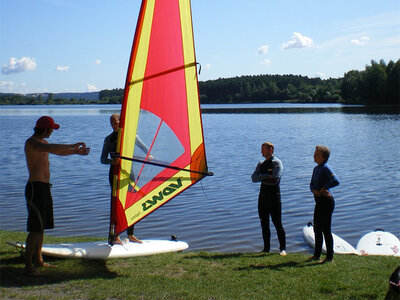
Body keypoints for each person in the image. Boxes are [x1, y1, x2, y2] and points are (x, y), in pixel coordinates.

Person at [24, 116, 90, 275]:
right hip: (35, 189)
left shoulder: (44, 143)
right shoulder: (32, 143)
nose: (52, 131)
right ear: (44, 129)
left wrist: (75, 152)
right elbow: (52, 148)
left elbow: (57, 151)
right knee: (35, 228)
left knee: (41, 227)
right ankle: (28, 266)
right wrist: (72, 145)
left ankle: (39, 260)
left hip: (45, 188)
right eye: (51, 128)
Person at [101, 113, 151, 244]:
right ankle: (115, 235)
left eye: (116, 122)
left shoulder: (130, 136)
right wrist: (113, 162)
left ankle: (131, 234)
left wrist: (148, 155)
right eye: (111, 122)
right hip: (115, 173)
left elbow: (145, 148)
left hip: (129, 173)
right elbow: (103, 159)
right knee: (116, 203)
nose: (113, 124)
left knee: (131, 201)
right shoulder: (109, 139)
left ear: (121, 122)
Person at [251, 142, 287, 256]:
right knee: (264, 223)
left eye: (263, 149)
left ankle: (283, 249)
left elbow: (275, 179)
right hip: (262, 197)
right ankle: (266, 248)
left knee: (277, 224)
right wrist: (267, 176)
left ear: (270, 149)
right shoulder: (261, 163)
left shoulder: (277, 163)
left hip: (274, 197)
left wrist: (262, 178)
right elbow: (253, 178)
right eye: (261, 149)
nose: (261, 151)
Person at [308, 145, 340, 263]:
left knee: (326, 229)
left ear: (323, 157)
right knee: (317, 228)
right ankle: (316, 255)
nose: (314, 156)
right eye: (314, 153)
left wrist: (324, 188)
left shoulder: (326, 168)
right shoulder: (316, 169)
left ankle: (329, 257)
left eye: (317, 154)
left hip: (327, 202)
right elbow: (311, 184)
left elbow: (336, 181)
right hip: (319, 202)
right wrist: (314, 190)